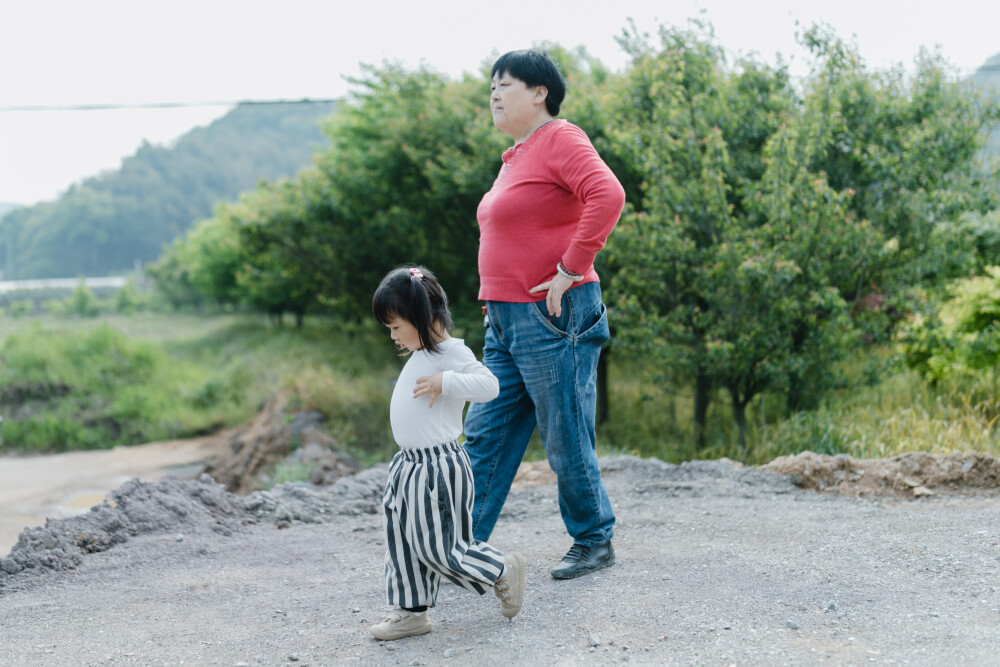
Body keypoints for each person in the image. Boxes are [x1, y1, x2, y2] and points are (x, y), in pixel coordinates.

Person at [464, 49, 626, 580]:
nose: (493, 92)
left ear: (540, 93)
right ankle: (461, 544)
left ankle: (593, 538)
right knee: (485, 431)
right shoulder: (515, 156)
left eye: (504, 83)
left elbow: (607, 193)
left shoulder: (560, 137)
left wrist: (569, 268)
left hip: (554, 313)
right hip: (506, 320)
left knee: (564, 433)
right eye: (490, 84)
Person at [368, 265, 526, 641]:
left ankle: (502, 568)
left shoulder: (451, 352)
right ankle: (412, 612)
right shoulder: (422, 352)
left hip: (438, 467)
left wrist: (447, 382)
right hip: (408, 465)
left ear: (422, 317)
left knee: (440, 546)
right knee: (403, 540)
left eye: (395, 326)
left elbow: (489, 385)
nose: (392, 335)